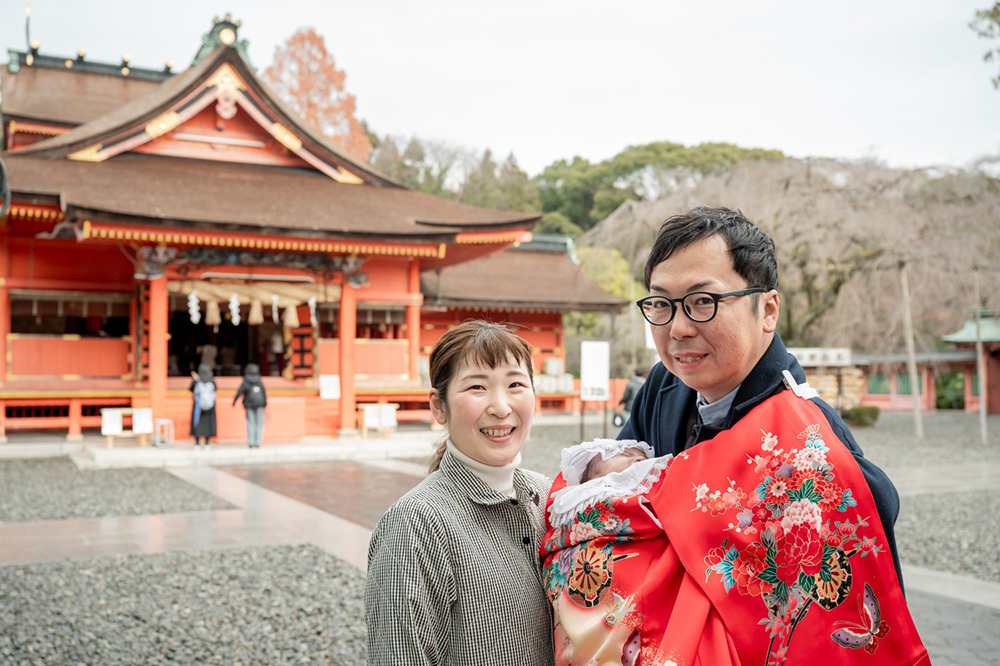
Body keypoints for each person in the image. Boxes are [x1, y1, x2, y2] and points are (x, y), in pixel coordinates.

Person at [585, 206, 929, 664]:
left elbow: (872, 507)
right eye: (661, 304)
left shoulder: (805, 435)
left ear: (767, 310)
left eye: (703, 301)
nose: (678, 328)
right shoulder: (663, 387)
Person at [364, 320, 554, 665]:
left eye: (515, 384)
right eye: (477, 387)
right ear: (439, 406)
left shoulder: (550, 496)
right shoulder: (418, 523)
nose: (500, 407)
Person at [232, 363, 267, 448]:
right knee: (259, 423)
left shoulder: (246, 380)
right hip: (259, 403)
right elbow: (263, 392)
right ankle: (258, 442)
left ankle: (251, 442)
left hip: (249, 404)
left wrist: (234, 401)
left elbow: (240, 391)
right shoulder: (259, 380)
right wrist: (265, 402)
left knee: (250, 422)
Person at [189, 363, 217, 450]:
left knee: (197, 423)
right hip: (210, 406)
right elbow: (216, 389)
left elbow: (190, 389)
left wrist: (195, 378)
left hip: (198, 406)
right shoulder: (211, 381)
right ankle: (207, 443)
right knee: (208, 424)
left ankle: (197, 443)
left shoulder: (197, 380)